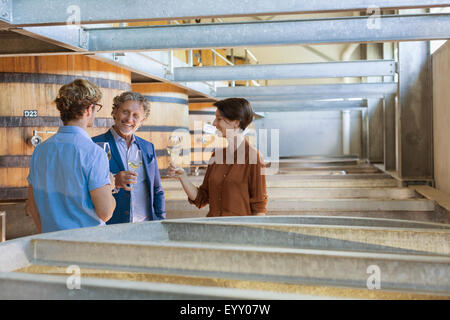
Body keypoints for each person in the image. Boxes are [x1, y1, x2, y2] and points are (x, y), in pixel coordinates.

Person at [27, 79, 116, 233]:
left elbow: (32, 206)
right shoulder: (93, 153)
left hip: (50, 243)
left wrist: (48, 236)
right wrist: (111, 186)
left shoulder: (39, 151)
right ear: (89, 109)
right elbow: (105, 213)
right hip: (87, 244)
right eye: (96, 108)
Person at [169, 98, 268, 217]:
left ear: (236, 122)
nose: (214, 124)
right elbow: (202, 198)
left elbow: (259, 208)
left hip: (240, 232)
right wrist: (182, 176)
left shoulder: (254, 158)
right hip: (214, 230)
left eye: (219, 119)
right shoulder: (216, 156)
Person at [92, 91, 165, 224]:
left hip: (146, 225)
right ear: (115, 112)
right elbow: (86, 191)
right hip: (112, 227)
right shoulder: (95, 145)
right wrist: (114, 182)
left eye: (136, 115)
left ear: (142, 121)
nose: (129, 119)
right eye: (125, 112)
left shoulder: (148, 147)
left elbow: (157, 189)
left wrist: (160, 220)